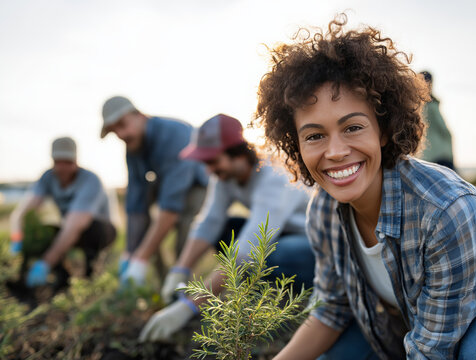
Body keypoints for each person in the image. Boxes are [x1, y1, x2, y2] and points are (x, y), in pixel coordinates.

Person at [254, 16, 476, 360]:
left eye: (353, 127)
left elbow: (432, 351)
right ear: (296, 145)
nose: (335, 151)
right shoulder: (324, 211)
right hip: (419, 324)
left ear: (384, 130)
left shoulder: (448, 210)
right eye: (315, 135)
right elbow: (332, 309)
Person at [138, 114, 315, 342]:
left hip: (313, 245)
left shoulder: (274, 176)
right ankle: (264, 294)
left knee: (271, 254)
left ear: (238, 154)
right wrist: (180, 270)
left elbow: (248, 251)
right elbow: (208, 223)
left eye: (212, 161)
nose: (209, 170)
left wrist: (189, 307)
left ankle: (293, 299)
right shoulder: (224, 177)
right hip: (280, 234)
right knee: (226, 229)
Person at [101, 96, 208, 286]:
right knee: (144, 233)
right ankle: (162, 286)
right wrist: (129, 253)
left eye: (122, 124)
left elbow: (171, 207)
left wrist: (141, 257)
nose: (120, 133)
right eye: (113, 131)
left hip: (200, 186)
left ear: (139, 115)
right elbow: (136, 202)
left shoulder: (173, 135)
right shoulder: (133, 147)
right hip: (167, 189)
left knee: (184, 236)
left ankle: (185, 288)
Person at [9, 137, 116, 288]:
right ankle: (62, 278)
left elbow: (76, 224)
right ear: (52, 161)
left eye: (68, 162)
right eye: (58, 162)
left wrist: (45, 262)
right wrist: (18, 236)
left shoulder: (90, 180)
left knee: (92, 230)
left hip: (100, 230)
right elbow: (26, 210)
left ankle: (91, 275)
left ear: (76, 160)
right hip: (70, 226)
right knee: (47, 231)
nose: (63, 167)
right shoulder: (48, 177)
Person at [419, 70, 455, 170]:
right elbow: (442, 128)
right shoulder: (430, 105)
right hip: (438, 155)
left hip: (428, 155)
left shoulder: (421, 104)